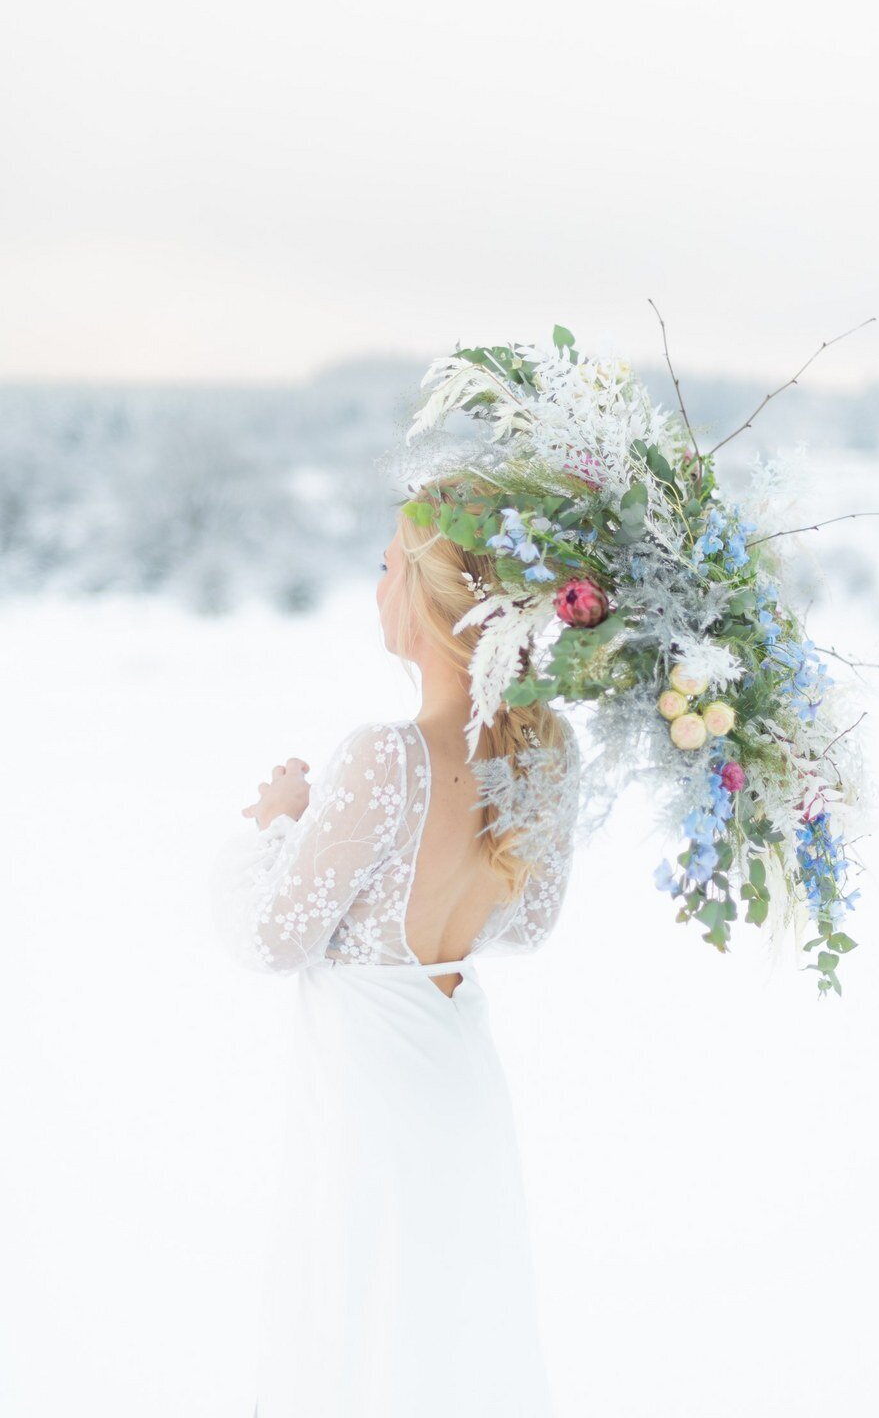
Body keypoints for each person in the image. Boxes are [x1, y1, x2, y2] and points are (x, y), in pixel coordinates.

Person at [211, 484, 581, 1418]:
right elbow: (527, 926)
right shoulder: (550, 751)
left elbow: (270, 938)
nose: (375, 587)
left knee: (356, 1320)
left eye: (386, 567)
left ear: (429, 598)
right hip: (458, 1080)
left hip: (372, 1093)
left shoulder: (388, 757)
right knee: (449, 1327)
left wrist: (273, 827)